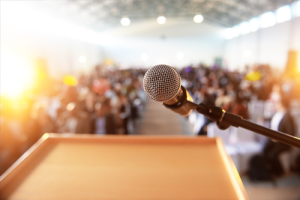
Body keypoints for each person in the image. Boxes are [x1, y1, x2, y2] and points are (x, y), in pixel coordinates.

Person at [263, 93, 296, 176]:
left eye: (278, 104)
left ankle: (279, 171)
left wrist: (278, 138)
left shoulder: (288, 117)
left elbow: (290, 133)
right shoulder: (278, 114)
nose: (276, 105)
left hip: (283, 141)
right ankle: (269, 168)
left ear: (282, 105)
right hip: (274, 139)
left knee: (272, 155)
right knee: (264, 150)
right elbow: (273, 120)